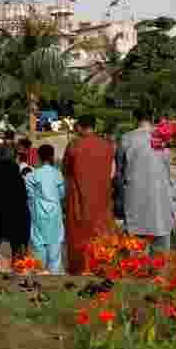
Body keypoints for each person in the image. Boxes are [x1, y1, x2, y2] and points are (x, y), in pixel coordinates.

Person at [62, 114, 117, 275]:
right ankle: (101, 266)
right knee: (100, 232)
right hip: (102, 199)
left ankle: (79, 269)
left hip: (79, 199)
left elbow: (65, 170)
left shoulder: (74, 145)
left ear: (80, 126)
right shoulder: (107, 146)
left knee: (79, 234)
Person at [116, 109, 175, 253]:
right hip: (160, 195)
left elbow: (120, 168)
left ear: (134, 119)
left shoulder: (127, 138)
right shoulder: (163, 139)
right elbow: (167, 167)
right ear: (153, 119)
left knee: (136, 248)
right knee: (161, 249)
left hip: (136, 195)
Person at [0, 154, 31, 272]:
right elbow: (23, 198)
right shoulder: (17, 178)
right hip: (15, 214)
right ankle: (18, 265)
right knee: (17, 243)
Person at [25, 145, 66, 273]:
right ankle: (54, 273)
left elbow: (30, 196)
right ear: (52, 156)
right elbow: (62, 194)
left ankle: (39, 271)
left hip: (38, 212)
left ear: (38, 156)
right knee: (55, 243)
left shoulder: (32, 175)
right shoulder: (58, 174)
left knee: (38, 243)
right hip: (54, 212)